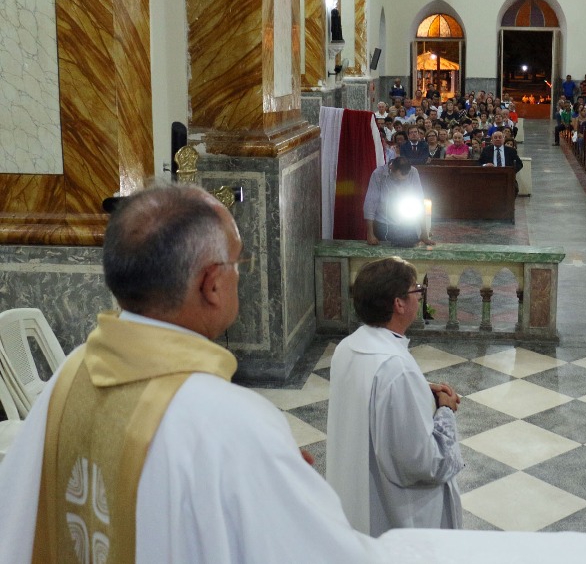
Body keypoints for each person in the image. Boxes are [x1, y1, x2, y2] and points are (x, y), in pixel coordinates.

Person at [0, 185, 372, 563]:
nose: (238, 276)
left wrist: (268, 471)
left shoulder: (70, 374)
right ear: (211, 284)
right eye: (238, 263)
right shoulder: (234, 421)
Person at [327, 257, 464, 537]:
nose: (419, 295)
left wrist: (418, 389)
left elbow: (367, 394)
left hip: (354, 498)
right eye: (416, 289)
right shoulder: (396, 369)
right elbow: (426, 463)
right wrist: (445, 410)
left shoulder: (348, 346)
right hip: (399, 517)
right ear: (398, 304)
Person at [364, 156, 434, 247]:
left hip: (407, 224)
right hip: (383, 225)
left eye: (403, 181)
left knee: (409, 255)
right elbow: (370, 204)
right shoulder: (378, 174)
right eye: (396, 179)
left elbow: (419, 201)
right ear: (391, 168)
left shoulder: (413, 172)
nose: (399, 183)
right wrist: (370, 234)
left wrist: (424, 232)